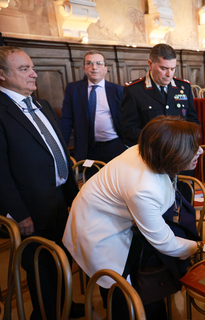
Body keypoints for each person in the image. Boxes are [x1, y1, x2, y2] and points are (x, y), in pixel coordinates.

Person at [63, 116, 205, 319]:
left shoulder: (149, 151)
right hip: (97, 231)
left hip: (116, 219)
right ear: (170, 152)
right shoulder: (143, 187)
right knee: (123, 293)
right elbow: (165, 243)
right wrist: (202, 246)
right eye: (192, 146)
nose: (200, 150)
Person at [0, 46, 80, 319]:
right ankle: (47, 314)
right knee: (39, 266)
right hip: (30, 207)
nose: (34, 73)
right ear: (2, 75)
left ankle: (65, 306)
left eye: (32, 67)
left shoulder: (41, 103)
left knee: (62, 254)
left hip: (59, 197)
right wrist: (19, 214)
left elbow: (58, 152)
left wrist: (74, 198)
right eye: (24, 69)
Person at [121, 43, 199, 146]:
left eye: (172, 69)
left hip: (180, 149)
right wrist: (157, 140)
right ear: (150, 64)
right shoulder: (134, 90)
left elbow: (192, 121)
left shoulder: (183, 87)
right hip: (150, 150)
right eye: (164, 68)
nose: (169, 74)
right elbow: (128, 129)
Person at [60, 50, 126, 163]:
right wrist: (61, 149)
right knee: (90, 179)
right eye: (89, 63)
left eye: (99, 63)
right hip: (86, 149)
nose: (94, 67)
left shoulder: (118, 90)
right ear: (84, 68)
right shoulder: (73, 89)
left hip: (114, 147)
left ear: (106, 69)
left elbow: (127, 119)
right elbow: (66, 120)